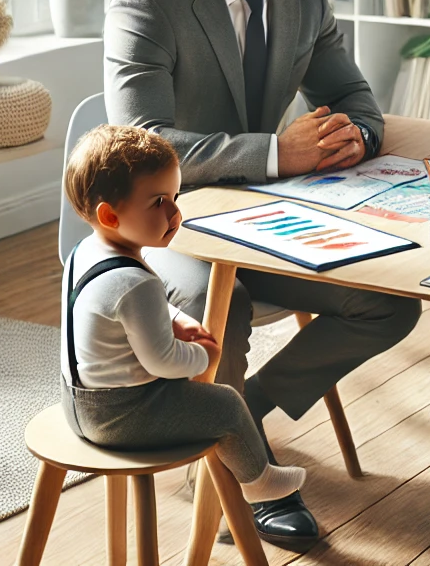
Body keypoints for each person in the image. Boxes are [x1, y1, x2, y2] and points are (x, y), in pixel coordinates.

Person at [104, 0, 421, 550]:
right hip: (164, 221)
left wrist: (353, 137)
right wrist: (280, 150)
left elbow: (354, 96)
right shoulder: (148, 3)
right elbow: (143, 147)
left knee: (387, 303)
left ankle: (235, 424)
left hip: (271, 213)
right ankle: (240, 475)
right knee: (224, 304)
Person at [61, 125, 307, 505]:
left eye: (175, 196)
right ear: (110, 216)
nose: (175, 212)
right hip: (123, 417)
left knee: (212, 397)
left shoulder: (85, 253)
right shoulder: (134, 282)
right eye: (159, 201)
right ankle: (259, 481)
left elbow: (130, 310)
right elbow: (162, 361)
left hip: (77, 401)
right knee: (224, 403)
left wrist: (175, 317)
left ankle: (255, 478)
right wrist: (205, 354)